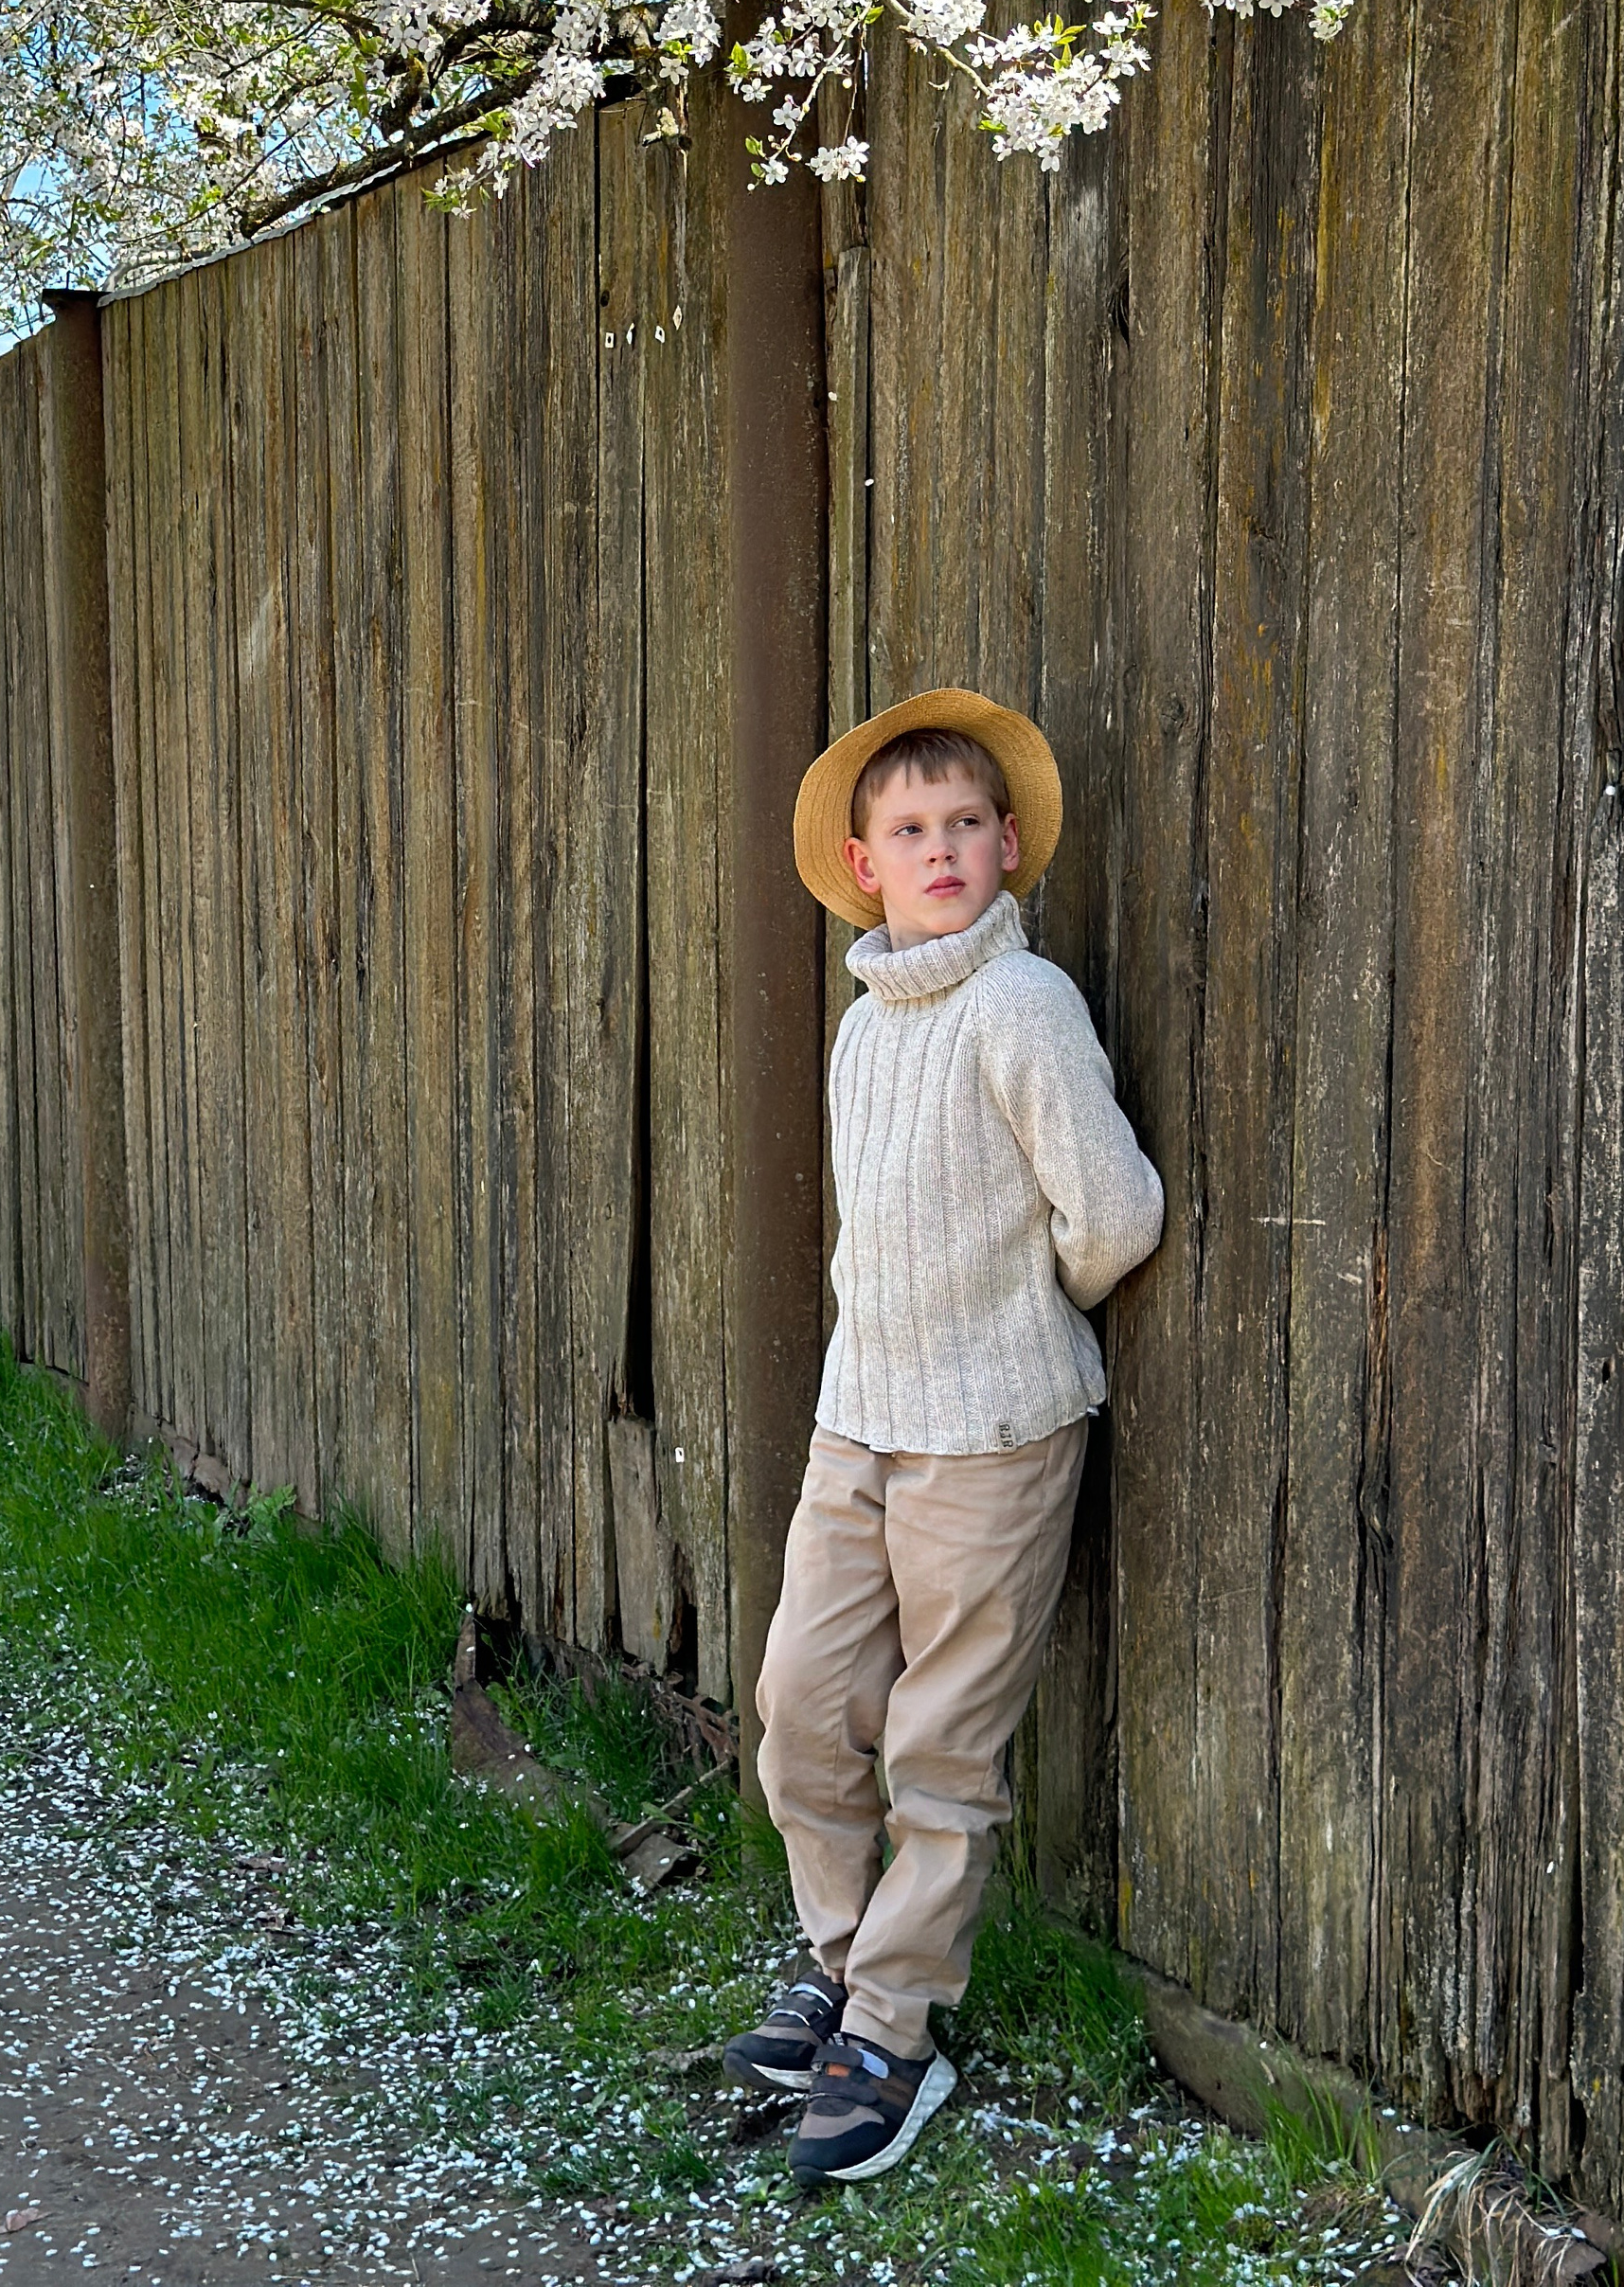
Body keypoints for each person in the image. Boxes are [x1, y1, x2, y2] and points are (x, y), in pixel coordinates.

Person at [723, 687, 1165, 2187]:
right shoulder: (864, 1030)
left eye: (966, 824)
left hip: (992, 1433)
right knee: (800, 1705)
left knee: (939, 1747)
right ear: (864, 866)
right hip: (861, 1422)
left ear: (1012, 843)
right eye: (909, 830)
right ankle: (845, 1964)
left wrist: (1023, 1324)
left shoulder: (1021, 1008)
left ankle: (898, 2033)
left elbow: (1114, 1212)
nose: (941, 849)